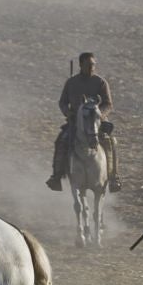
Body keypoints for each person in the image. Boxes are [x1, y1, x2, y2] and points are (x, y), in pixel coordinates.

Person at [48, 53, 117, 194]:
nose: (91, 68)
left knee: (110, 143)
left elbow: (108, 104)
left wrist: (100, 115)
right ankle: (56, 176)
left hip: (97, 124)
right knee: (61, 141)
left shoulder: (100, 82)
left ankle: (113, 177)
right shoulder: (71, 83)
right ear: (81, 65)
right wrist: (69, 113)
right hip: (76, 123)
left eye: (93, 65)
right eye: (88, 65)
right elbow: (62, 102)